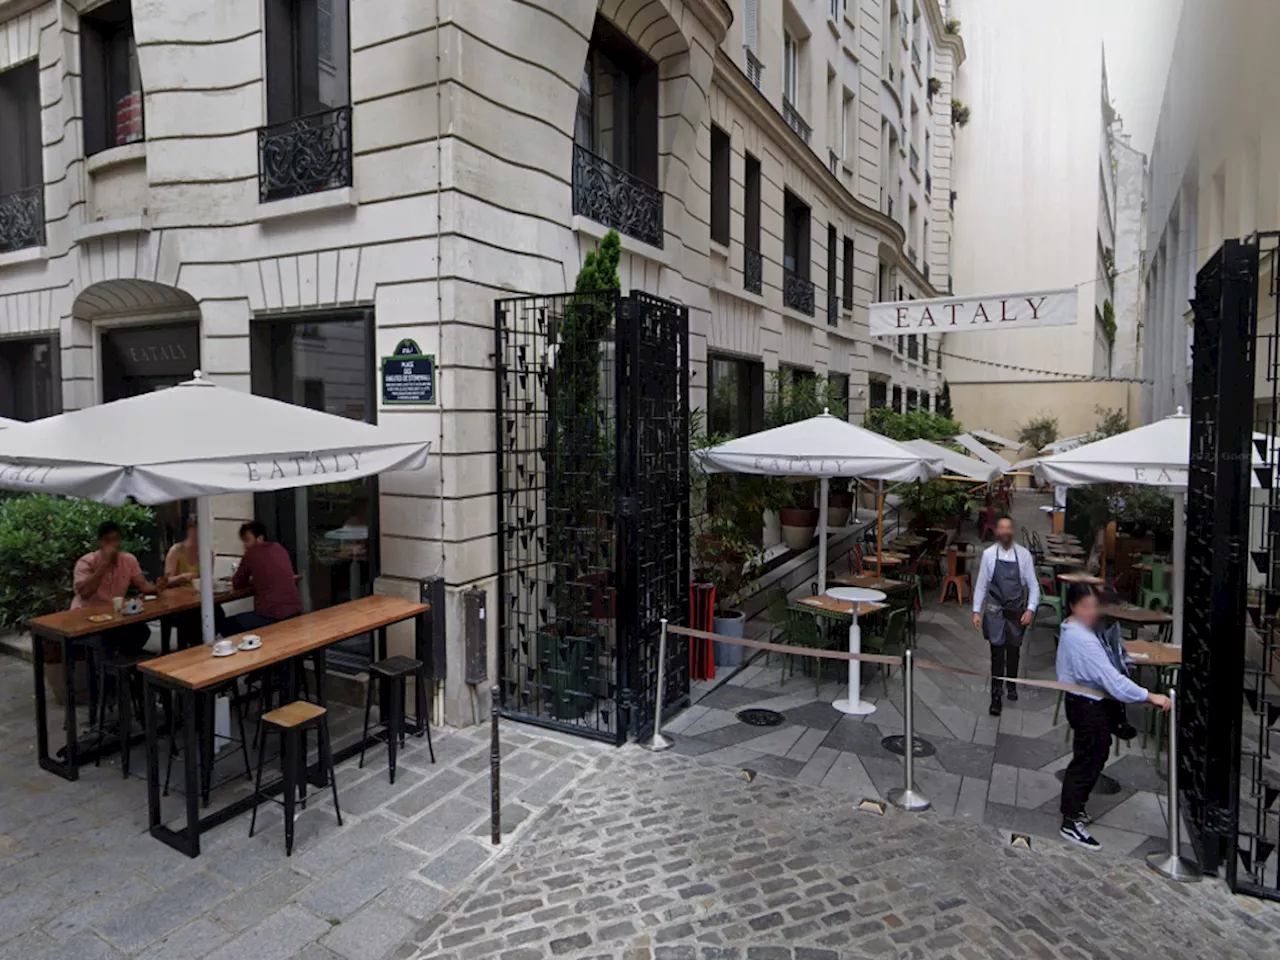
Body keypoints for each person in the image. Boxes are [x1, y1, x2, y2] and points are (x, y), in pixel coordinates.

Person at [1056, 582, 1170, 850]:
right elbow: (1112, 681)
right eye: (1086, 607)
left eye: (1094, 607)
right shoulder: (1081, 638)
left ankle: (1076, 808)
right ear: (1073, 606)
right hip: (1087, 704)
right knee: (1087, 760)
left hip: (1085, 701)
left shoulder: (1075, 628)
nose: (1091, 612)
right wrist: (1149, 696)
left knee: (1093, 754)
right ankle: (1070, 820)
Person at [971, 514, 1040, 716]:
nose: (1005, 532)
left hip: (1017, 611)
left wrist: (1031, 609)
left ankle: (1011, 684)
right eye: (1001, 528)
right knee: (997, 653)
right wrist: (976, 610)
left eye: (1008, 528)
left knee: (1014, 651)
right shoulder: (989, 555)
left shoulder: (1024, 556)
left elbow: (1034, 586)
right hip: (995, 612)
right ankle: (996, 698)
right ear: (997, 531)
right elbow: (982, 584)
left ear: (1012, 531)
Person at [72, 521, 163, 654]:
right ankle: (106, 671)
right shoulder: (86, 562)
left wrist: (157, 587)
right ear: (99, 543)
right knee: (102, 641)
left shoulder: (128, 560)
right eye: (106, 541)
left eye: (115, 540)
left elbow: (143, 585)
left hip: (114, 616)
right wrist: (104, 565)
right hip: (87, 618)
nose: (112, 545)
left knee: (141, 631)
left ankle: (122, 669)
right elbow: (85, 593)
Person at [222, 521, 302, 636]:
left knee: (226, 624)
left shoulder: (251, 554)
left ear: (260, 538)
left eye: (247, 540)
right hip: (295, 611)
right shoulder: (279, 548)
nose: (245, 545)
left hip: (272, 616)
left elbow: (237, 583)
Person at [164, 518, 201, 586]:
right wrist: (182, 578)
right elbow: (166, 581)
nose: (197, 533)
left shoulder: (208, 553)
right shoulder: (176, 550)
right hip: (178, 594)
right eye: (194, 530)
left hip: (198, 594)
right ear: (189, 530)